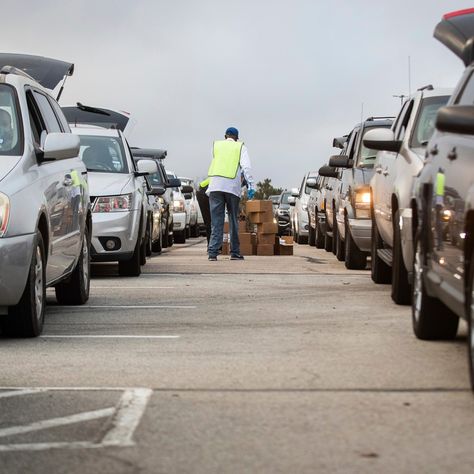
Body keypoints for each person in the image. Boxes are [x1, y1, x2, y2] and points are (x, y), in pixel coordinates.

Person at [207, 127, 255, 261]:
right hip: (232, 187)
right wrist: (251, 186)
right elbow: (246, 167)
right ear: (236, 138)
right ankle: (234, 252)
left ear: (225, 136)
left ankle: (212, 253)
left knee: (216, 221)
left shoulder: (216, 145)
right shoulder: (240, 147)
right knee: (233, 219)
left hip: (215, 186)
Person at [196, 178, 212, 245]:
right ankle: (211, 246)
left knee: (210, 221)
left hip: (205, 190)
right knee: (209, 220)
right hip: (204, 192)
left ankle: (212, 246)